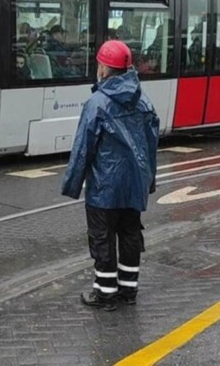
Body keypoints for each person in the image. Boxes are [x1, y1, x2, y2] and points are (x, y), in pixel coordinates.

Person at [61, 40, 159, 311]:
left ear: (104, 68)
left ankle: (105, 293)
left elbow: (83, 149)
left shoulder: (97, 103)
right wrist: (149, 180)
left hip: (105, 187)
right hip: (134, 185)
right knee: (130, 235)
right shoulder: (144, 101)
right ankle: (129, 290)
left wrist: (72, 184)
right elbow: (151, 145)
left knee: (102, 238)